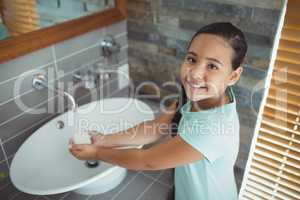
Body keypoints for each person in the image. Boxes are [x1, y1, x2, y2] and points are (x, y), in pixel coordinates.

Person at [69, 22, 247, 200]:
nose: (195, 74)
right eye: (192, 59)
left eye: (212, 66)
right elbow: (156, 128)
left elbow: (147, 161)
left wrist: (97, 153)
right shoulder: (199, 96)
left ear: (233, 76)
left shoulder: (213, 129)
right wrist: (104, 140)